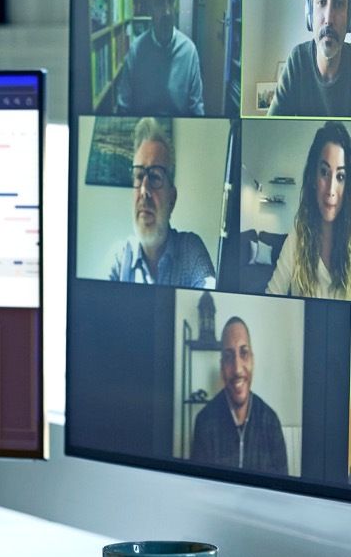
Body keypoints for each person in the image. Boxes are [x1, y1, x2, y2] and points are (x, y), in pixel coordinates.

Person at [106, 117, 216, 287]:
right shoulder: (118, 259)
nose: (144, 190)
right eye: (139, 176)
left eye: (155, 177)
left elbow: (208, 292)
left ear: (172, 199)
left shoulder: (190, 250)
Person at [189, 317, 290, 476]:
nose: (237, 369)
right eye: (229, 356)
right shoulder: (204, 422)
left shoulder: (271, 422)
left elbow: (282, 487)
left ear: (252, 361)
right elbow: (198, 486)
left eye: (244, 353)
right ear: (222, 367)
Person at [266, 121, 351, 299]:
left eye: (340, 176)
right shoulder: (298, 236)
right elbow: (272, 295)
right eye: (324, 172)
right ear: (313, 177)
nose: (330, 190)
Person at [112, 0, 206, 116]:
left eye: (171, 0)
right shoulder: (135, 52)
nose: (167, 12)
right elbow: (123, 109)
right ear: (149, 7)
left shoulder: (190, 53)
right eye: (159, 2)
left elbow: (197, 112)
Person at [271, 0, 351, 117]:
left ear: (349, 16)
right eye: (321, 2)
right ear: (310, 13)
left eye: (339, 3)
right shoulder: (297, 62)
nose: (328, 19)